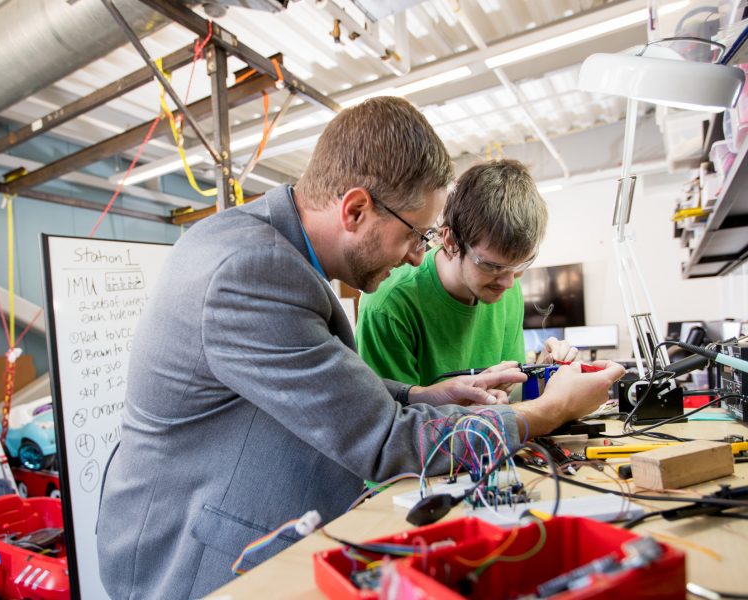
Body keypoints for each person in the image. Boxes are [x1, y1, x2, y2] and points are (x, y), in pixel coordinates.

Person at [96, 97, 624, 599]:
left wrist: (426, 394)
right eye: (416, 235)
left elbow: (322, 380)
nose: (419, 258)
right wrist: (549, 411)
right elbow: (387, 443)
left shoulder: (271, 253)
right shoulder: (252, 273)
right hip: (193, 562)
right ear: (355, 210)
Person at [356, 159, 577, 388]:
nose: (509, 282)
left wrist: (542, 372)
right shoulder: (388, 305)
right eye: (492, 266)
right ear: (451, 241)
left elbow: (512, 397)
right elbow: (391, 419)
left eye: (520, 266)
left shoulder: (506, 290)